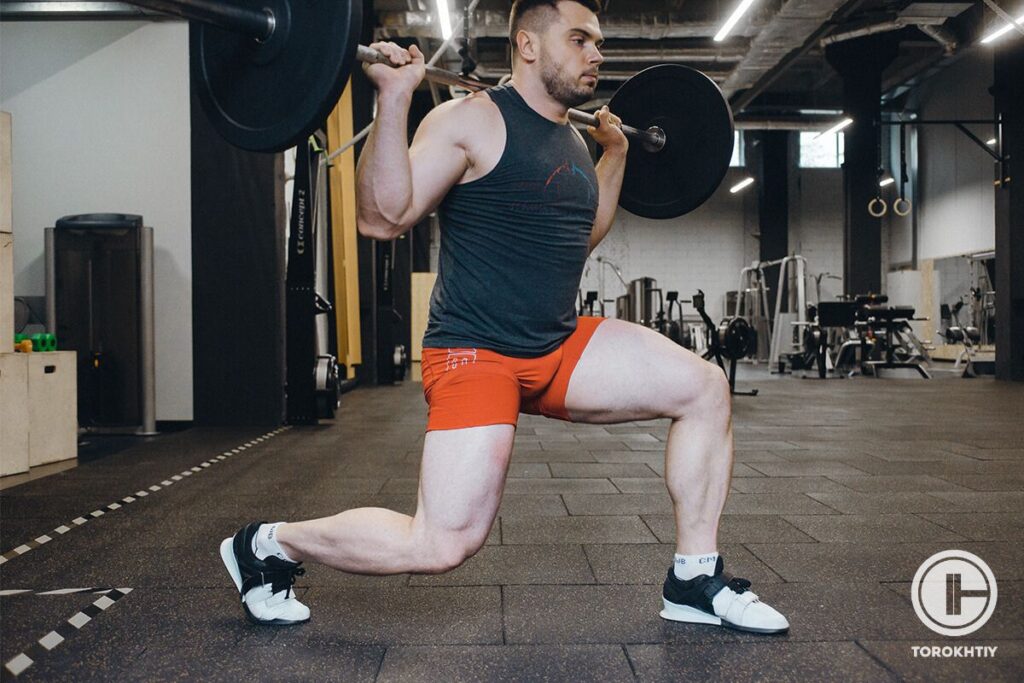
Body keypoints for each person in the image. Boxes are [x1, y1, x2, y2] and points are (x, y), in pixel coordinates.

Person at [220, 0, 789, 634]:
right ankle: (270, 545)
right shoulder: (469, 121)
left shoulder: (571, 139)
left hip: (555, 344)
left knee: (705, 387)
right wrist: (393, 98)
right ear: (526, 45)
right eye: (580, 40)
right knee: (441, 543)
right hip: (476, 353)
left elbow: (581, 234)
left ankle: (694, 578)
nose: (596, 54)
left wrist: (616, 153)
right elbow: (381, 219)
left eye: (597, 42)